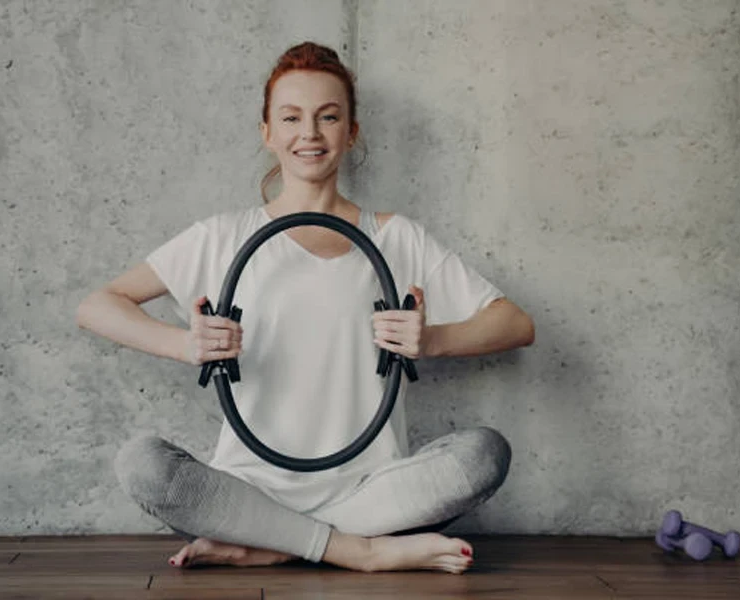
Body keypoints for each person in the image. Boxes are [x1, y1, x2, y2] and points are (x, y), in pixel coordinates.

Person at [76, 41, 535, 575]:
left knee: (484, 453)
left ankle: (280, 544)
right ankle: (356, 551)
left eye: (329, 117)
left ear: (351, 131)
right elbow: (97, 305)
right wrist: (184, 344)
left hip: (370, 493)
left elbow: (516, 324)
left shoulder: (397, 237)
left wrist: (432, 339)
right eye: (291, 117)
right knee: (144, 465)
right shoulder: (223, 236)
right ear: (267, 131)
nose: (310, 134)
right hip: (246, 492)